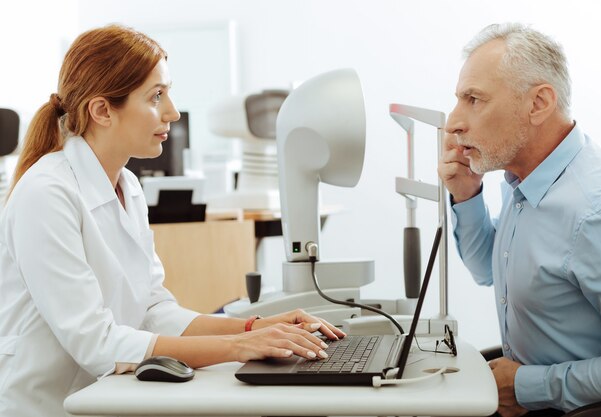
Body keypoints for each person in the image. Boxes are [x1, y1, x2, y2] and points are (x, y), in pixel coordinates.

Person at [0, 25, 344, 417]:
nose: (173, 112)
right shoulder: (46, 194)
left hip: (108, 397)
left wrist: (254, 328)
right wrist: (239, 348)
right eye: (156, 96)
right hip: (47, 407)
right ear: (101, 111)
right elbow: (96, 343)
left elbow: (154, 309)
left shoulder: (127, 185)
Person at [438, 23, 601, 417]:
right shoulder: (524, 177)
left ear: (539, 103)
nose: (453, 121)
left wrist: (526, 385)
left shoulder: (598, 212)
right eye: (459, 99)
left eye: (474, 99)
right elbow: (490, 267)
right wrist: (467, 194)